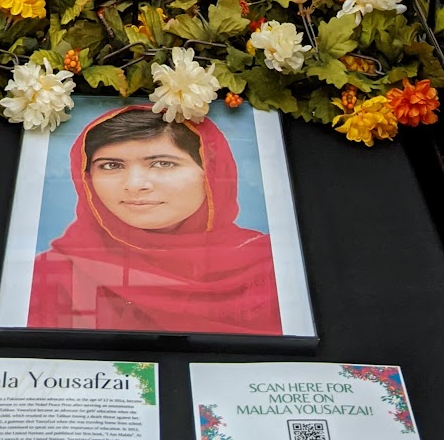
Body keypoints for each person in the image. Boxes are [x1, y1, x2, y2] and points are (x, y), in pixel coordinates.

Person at [27, 104, 282, 335]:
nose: (134, 184)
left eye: (163, 164)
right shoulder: (52, 273)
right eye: (111, 166)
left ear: (211, 172)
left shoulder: (274, 267)